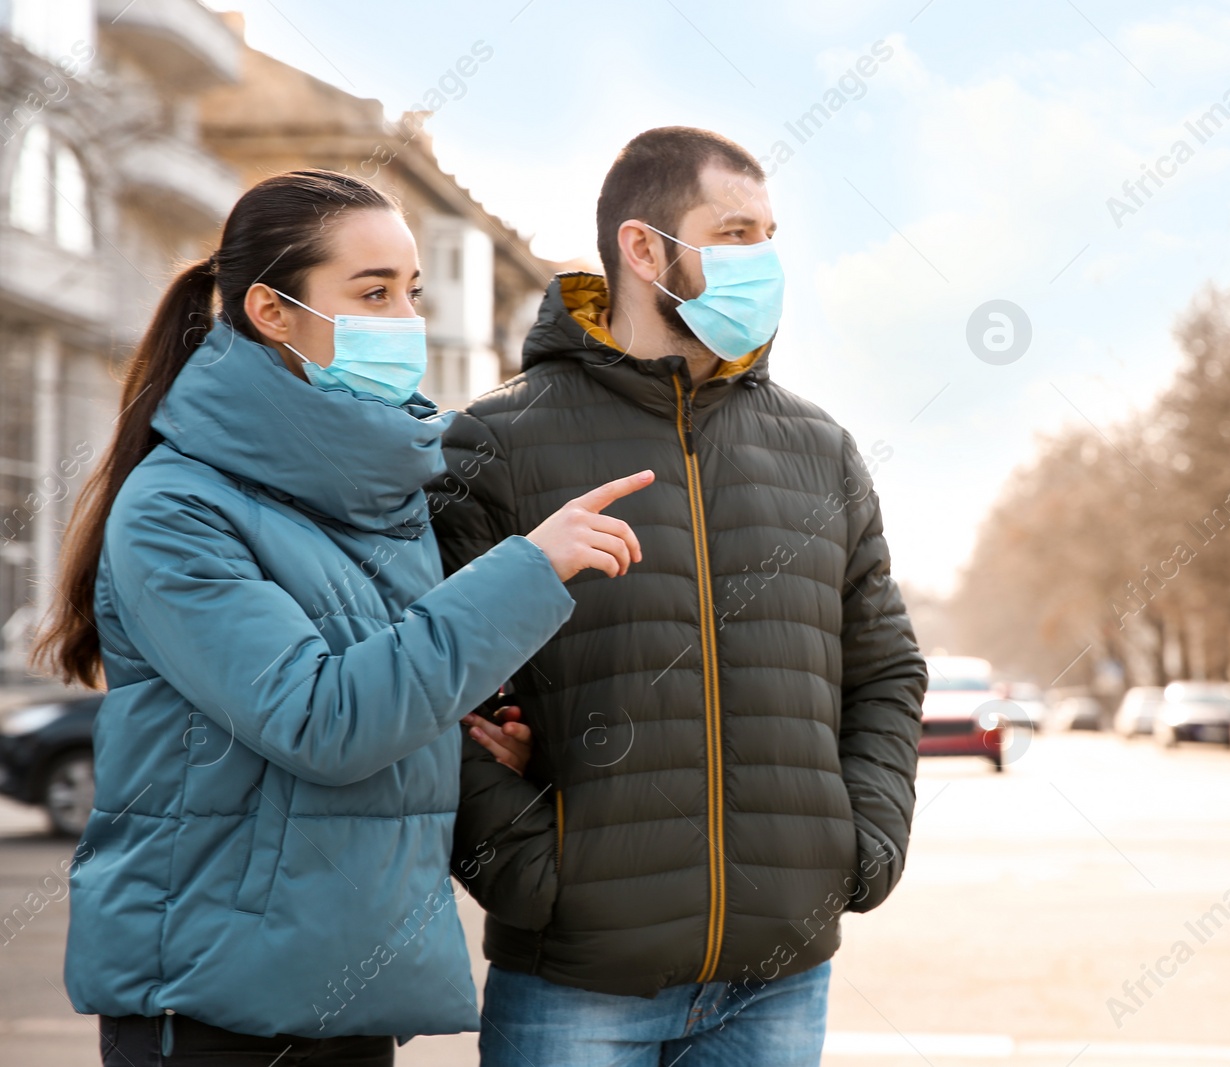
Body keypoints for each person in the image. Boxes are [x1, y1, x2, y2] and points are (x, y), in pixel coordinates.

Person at [30, 169, 653, 1066]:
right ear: (271, 311)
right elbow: (325, 720)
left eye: (410, 291)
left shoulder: (367, 491)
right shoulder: (178, 508)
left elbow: (392, 689)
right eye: (371, 292)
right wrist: (528, 569)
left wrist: (468, 731)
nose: (404, 317)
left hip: (346, 992)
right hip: (217, 1012)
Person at [429, 127, 927, 1066]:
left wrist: (860, 847)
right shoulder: (495, 441)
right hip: (574, 980)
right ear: (643, 247)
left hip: (781, 977)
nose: (764, 260)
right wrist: (533, 875)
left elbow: (887, 667)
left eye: (770, 234)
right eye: (735, 232)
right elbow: (430, 685)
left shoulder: (821, 450)